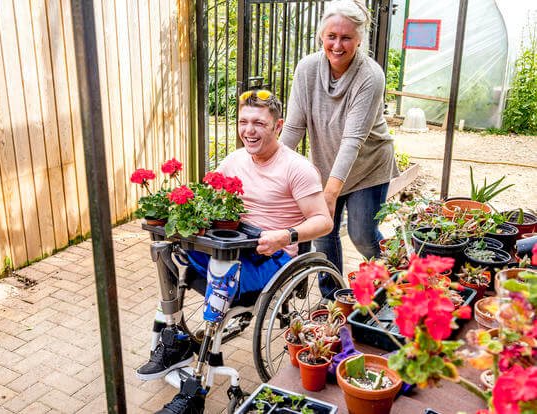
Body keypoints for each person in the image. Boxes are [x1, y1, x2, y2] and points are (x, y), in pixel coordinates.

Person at [136, 90, 333, 414]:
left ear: (278, 126)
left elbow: (323, 221)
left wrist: (286, 235)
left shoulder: (297, 168)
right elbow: (206, 201)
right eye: (243, 122)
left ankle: (195, 389)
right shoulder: (235, 159)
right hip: (232, 244)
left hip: (273, 257)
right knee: (167, 249)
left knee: (221, 267)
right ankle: (175, 340)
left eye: (259, 122)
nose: (249, 130)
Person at [280, 0, 398, 285]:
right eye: (331, 36)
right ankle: (334, 298)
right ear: (322, 35)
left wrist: (330, 195)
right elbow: (295, 126)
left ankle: (394, 284)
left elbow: (352, 141)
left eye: (346, 37)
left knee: (362, 235)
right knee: (324, 234)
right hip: (327, 164)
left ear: (359, 39)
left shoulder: (370, 75)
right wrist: (272, 165)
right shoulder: (307, 69)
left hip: (367, 166)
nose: (337, 45)